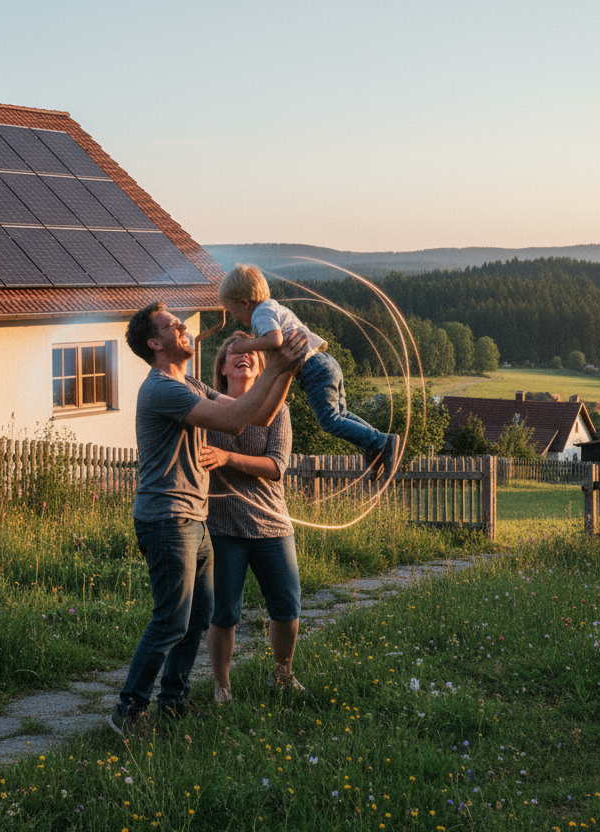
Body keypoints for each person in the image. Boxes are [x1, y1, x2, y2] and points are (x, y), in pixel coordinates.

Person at [109, 301, 306, 736]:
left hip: (194, 518)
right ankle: (128, 710)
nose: (183, 326)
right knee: (172, 619)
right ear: (155, 344)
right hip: (166, 518)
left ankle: (174, 701)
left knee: (199, 617)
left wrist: (284, 368)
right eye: (171, 325)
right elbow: (235, 422)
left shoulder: (191, 382)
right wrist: (277, 362)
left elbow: (260, 413)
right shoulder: (163, 388)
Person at [217, 264, 400, 479]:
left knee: (329, 421)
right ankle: (376, 445)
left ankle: (382, 442)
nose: (235, 318)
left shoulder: (260, 315)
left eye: (233, 312)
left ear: (244, 303)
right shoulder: (273, 307)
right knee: (341, 414)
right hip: (324, 362)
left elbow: (275, 340)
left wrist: (243, 346)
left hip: (313, 369)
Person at [201, 334, 303, 703]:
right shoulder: (208, 409)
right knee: (224, 612)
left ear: (262, 367)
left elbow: (277, 466)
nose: (243, 357)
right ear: (223, 367)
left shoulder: (279, 412)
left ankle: (283, 674)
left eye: (251, 354)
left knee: (287, 606)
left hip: (271, 523)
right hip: (222, 525)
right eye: (234, 354)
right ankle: (222, 685)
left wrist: (228, 459)